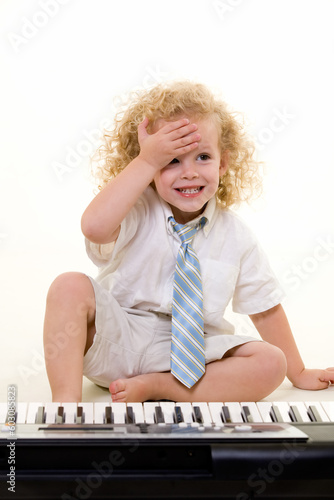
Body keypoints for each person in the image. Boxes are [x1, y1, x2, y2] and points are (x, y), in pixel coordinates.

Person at [43, 81, 334, 403]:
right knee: (68, 285)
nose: (189, 173)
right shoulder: (135, 210)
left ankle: (158, 386)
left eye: (203, 157)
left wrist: (299, 372)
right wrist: (147, 161)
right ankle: (66, 405)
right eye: (171, 161)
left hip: (194, 356)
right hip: (118, 341)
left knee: (270, 362)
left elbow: (265, 309)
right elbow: (94, 229)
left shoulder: (237, 236)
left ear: (223, 164)